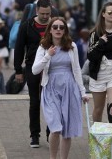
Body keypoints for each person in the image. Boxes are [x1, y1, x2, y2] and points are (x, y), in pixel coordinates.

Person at [32, 17, 89, 158]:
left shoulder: (72, 46)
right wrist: (48, 56)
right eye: (55, 27)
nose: (58, 30)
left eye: (61, 27)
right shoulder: (43, 47)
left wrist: (83, 92)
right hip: (51, 89)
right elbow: (35, 70)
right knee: (55, 127)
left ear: (65, 30)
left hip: (69, 88)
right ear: (50, 30)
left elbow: (76, 69)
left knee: (67, 131)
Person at [14, 0, 53, 148]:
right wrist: (18, 69)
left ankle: (52, 132)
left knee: (52, 102)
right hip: (32, 66)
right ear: (37, 11)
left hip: (52, 67)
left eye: (48, 13)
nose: (45, 16)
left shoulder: (55, 25)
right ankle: (35, 135)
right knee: (34, 101)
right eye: (42, 13)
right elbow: (19, 47)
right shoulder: (27, 26)